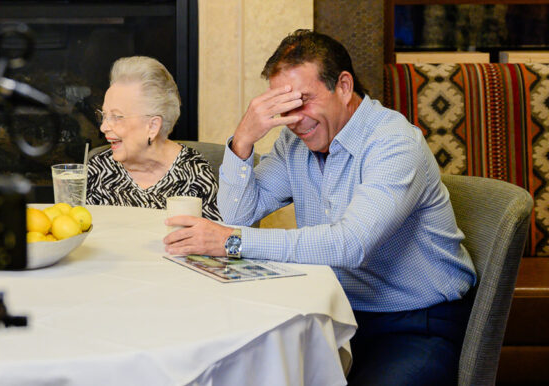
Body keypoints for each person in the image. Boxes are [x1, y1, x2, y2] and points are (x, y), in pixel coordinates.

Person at [163, 30, 476, 386]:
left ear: (343, 86)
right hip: (332, 311)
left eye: (303, 101)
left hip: (414, 321)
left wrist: (233, 241)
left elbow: (349, 244)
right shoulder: (293, 143)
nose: (295, 119)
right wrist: (244, 140)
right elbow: (238, 216)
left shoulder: (395, 143)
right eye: (283, 106)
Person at [86, 56, 221, 220]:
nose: (103, 127)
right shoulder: (98, 168)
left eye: (117, 117)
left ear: (152, 126)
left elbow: (211, 234)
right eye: (104, 116)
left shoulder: (194, 173)